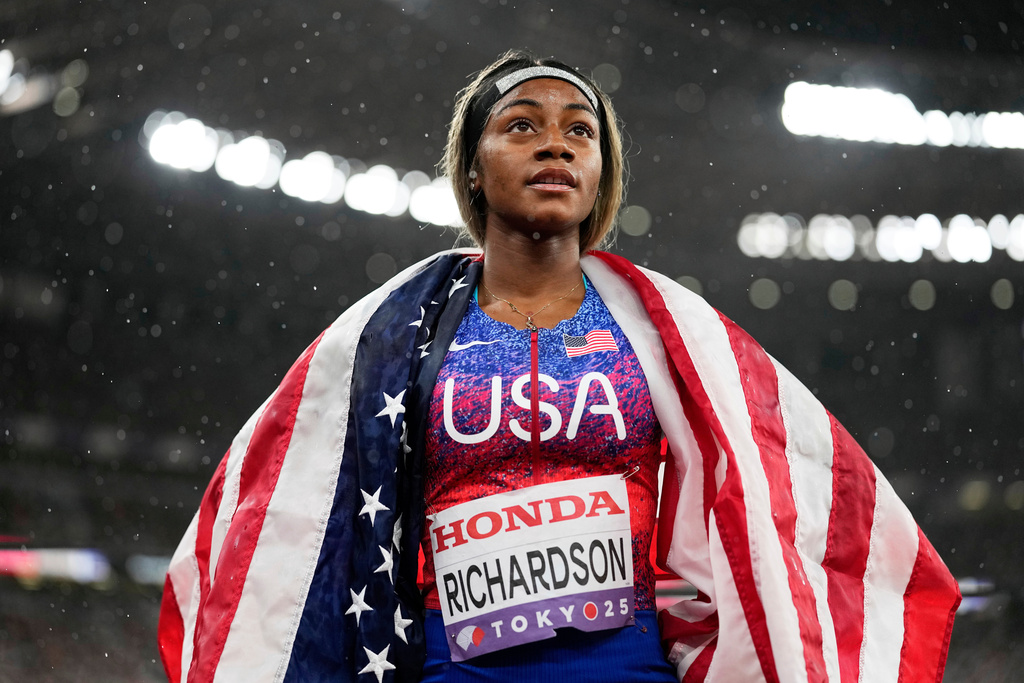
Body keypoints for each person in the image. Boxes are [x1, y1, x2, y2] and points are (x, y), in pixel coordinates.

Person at [158, 50, 960, 682]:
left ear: (600, 173)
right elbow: (285, 496)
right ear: (472, 165)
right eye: (520, 125)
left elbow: (788, 483)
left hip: (627, 667)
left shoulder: (664, 333)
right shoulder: (393, 337)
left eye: (581, 131)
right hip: (451, 668)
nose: (554, 142)